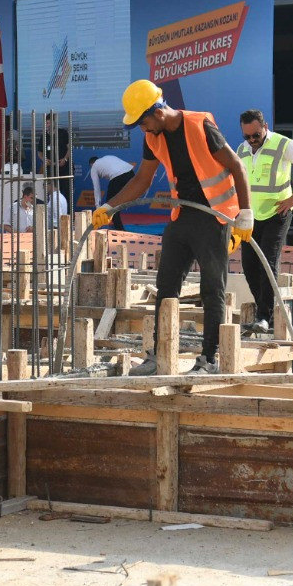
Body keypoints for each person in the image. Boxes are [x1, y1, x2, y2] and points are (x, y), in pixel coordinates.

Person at [93, 80, 252, 375]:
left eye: (142, 121)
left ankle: (210, 359)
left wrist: (246, 215)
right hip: (183, 217)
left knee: (211, 289)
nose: (142, 128)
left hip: (215, 217)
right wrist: (108, 207)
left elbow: (237, 167)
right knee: (166, 287)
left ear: (157, 111)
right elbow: (141, 181)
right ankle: (159, 356)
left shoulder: (199, 125)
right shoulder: (154, 136)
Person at [235, 109, 293, 334]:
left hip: (277, 214)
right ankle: (265, 310)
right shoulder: (241, 150)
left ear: (265, 127)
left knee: (268, 261)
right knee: (249, 265)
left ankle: (264, 317)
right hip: (251, 215)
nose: (252, 141)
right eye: (247, 136)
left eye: (256, 135)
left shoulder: (283, 145)